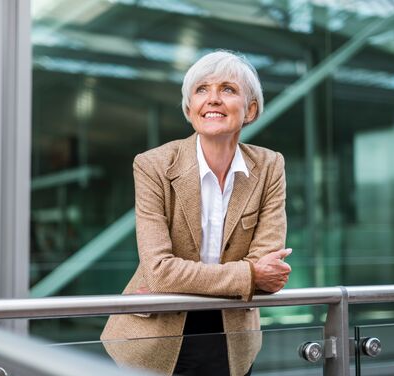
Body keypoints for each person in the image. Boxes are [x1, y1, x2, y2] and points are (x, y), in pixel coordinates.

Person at [101, 50, 291, 376]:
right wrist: (249, 275)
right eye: (201, 90)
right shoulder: (153, 165)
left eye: (228, 89)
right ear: (190, 110)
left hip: (233, 333)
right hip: (155, 337)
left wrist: (253, 276)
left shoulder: (271, 165)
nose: (213, 99)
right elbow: (159, 270)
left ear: (251, 109)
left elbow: (269, 271)